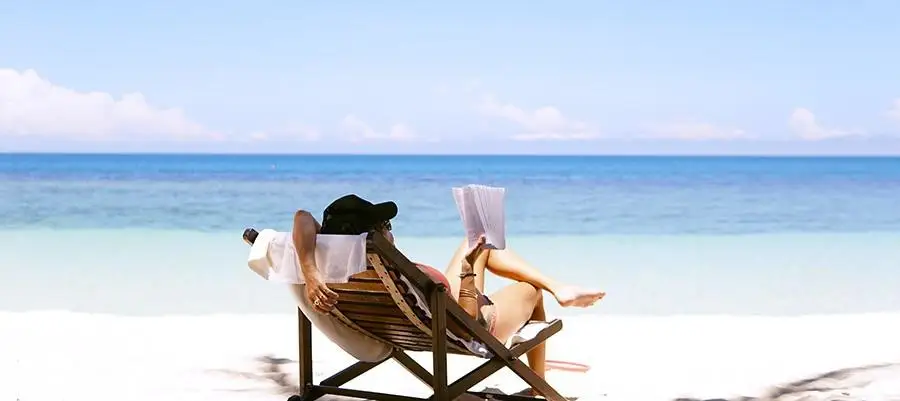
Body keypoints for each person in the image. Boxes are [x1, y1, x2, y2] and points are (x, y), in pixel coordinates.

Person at [288, 194, 606, 392]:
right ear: (376, 234)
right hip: (466, 329)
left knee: (476, 243)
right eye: (385, 224)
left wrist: (311, 274)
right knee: (531, 291)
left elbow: (302, 216)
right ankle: (540, 381)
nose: (389, 229)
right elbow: (467, 321)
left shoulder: (326, 264)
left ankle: (557, 288)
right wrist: (468, 274)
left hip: (409, 322)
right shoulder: (402, 271)